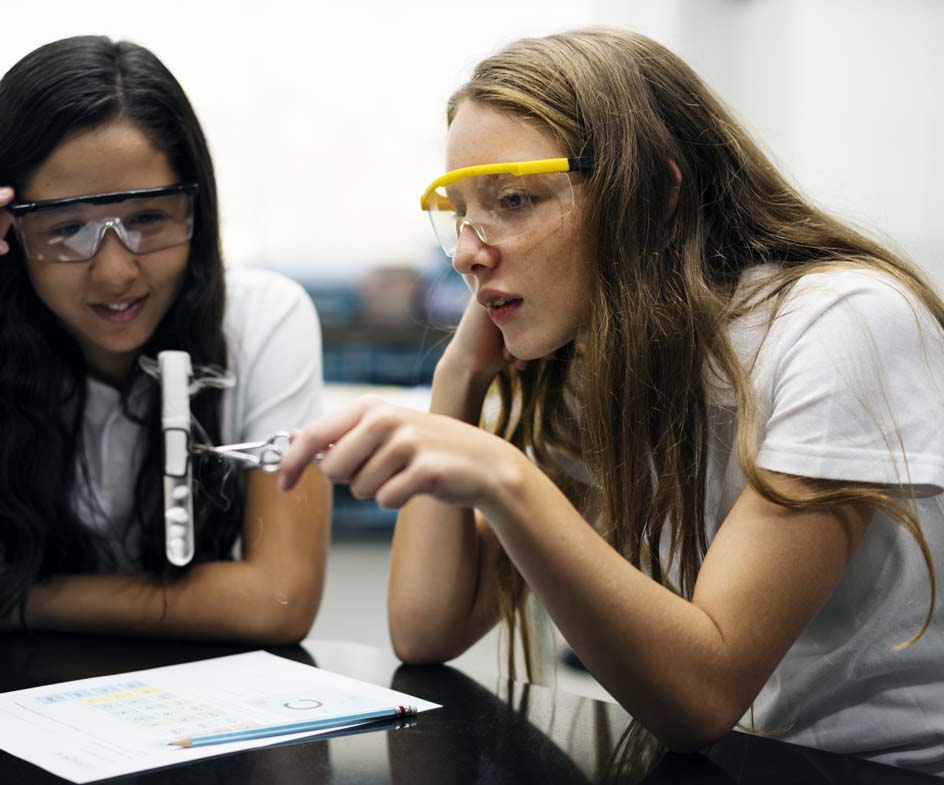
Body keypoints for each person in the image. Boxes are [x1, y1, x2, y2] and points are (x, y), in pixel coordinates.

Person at [278, 28, 944, 773]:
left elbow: (704, 692)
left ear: (656, 198)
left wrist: (504, 476)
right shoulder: (597, 353)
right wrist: (456, 380)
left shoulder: (842, 321)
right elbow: (426, 630)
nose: (469, 247)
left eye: (515, 200)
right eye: (461, 211)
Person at [0, 36, 331, 655]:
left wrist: (4, 598)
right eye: (68, 229)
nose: (115, 272)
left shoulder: (262, 321)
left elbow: (279, 600)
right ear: (5, 231)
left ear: (195, 215)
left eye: (147, 219)